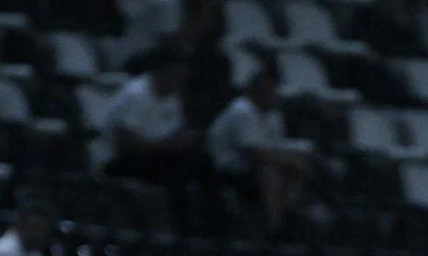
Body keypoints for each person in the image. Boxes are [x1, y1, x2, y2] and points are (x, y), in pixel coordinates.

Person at [209, 72, 310, 232]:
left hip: (255, 165)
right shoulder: (242, 111)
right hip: (227, 167)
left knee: (295, 166)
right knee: (271, 170)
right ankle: (275, 227)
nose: (277, 97)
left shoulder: (273, 115)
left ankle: (290, 217)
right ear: (260, 94)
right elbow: (253, 151)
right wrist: (288, 162)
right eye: (272, 93)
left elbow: (275, 147)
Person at [105, 57, 209, 189]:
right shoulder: (135, 94)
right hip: (130, 159)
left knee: (203, 160)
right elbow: (126, 143)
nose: (180, 84)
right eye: (176, 78)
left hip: (161, 154)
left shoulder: (172, 97)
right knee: (179, 167)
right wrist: (166, 145)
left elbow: (174, 129)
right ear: (161, 73)